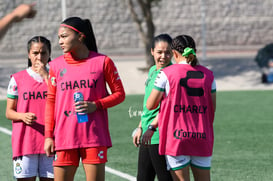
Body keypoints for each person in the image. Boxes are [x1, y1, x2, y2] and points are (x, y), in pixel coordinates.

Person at [44, 16, 125, 181]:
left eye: (64, 36)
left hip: (94, 137)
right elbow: (51, 102)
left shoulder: (103, 62)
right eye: (59, 37)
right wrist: (48, 136)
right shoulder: (56, 66)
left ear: (80, 37)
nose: (60, 41)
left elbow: (119, 94)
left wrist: (97, 105)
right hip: (64, 137)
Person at [146, 35, 216, 181]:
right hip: (202, 137)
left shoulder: (166, 73)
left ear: (175, 53)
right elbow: (212, 109)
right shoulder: (209, 75)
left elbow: (150, 104)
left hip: (177, 138)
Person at [5, 36, 53, 180]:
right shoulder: (17, 79)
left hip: (51, 141)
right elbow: (9, 111)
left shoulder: (57, 77)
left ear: (49, 54)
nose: (39, 57)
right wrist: (22, 116)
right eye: (35, 53)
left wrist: (46, 76)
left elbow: (62, 100)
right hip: (25, 142)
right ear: (28, 54)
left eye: (43, 53)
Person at [132, 34, 173, 181]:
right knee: (143, 177)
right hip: (147, 132)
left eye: (168, 52)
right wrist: (140, 126)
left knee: (165, 177)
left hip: (159, 133)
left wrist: (152, 127)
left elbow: (168, 107)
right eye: (159, 52)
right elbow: (147, 103)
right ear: (152, 51)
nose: (163, 56)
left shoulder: (172, 74)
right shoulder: (152, 71)